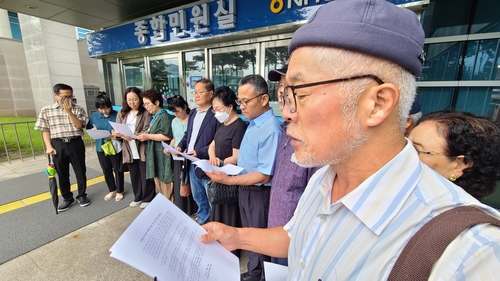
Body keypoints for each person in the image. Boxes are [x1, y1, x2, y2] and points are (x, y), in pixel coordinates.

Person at [200, 0, 500, 280]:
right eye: (285, 96)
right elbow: (298, 237)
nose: (287, 114)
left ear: (377, 104)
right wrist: (236, 236)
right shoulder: (325, 178)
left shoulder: (468, 251)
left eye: (299, 94)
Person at [205, 74, 282, 281]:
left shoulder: (271, 129)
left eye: (246, 101)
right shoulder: (253, 123)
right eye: (240, 101)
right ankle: (254, 271)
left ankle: (262, 276)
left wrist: (228, 180)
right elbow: (245, 161)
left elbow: (264, 174)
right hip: (245, 190)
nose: (242, 106)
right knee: (248, 234)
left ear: (264, 99)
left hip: (259, 193)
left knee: (259, 237)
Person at [267, 65, 320, 266]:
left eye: (290, 86)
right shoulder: (285, 131)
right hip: (274, 226)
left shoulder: (314, 142)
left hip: (295, 238)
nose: (283, 92)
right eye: (281, 86)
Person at [409, 109, 500, 202]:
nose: (404, 152)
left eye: (416, 149)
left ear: (458, 165)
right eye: (406, 144)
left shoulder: (458, 215)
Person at [34, 83, 90, 212]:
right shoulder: (46, 110)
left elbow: (80, 126)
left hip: (75, 142)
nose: (68, 99)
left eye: (70, 96)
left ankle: (82, 195)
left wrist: (69, 112)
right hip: (58, 144)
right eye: (64, 96)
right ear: (56, 95)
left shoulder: (78, 109)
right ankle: (67, 197)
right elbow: (45, 130)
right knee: (62, 173)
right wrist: (48, 146)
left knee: (80, 171)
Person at [207, 86, 247, 256]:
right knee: (218, 210)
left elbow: (237, 156)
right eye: (214, 109)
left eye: (219, 109)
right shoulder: (222, 124)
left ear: (230, 107)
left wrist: (220, 162)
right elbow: (212, 145)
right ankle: (219, 243)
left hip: (230, 177)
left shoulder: (239, 126)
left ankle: (231, 249)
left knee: (229, 213)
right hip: (219, 173)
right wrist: (211, 158)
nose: (216, 113)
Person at [175, 79, 219, 225]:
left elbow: (219, 141)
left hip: (206, 163)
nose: (197, 95)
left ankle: (215, 224)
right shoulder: (193, 112)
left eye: (200, 92)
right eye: (195, 92)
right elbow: (188, 134)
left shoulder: (216, 114)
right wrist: (180, 147)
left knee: (211, 197)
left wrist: (199, 152)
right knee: (198, 196)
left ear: (210, 93)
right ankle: (202, 220)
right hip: (191, 163)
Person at [112, 87, 154, 209]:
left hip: (141, 147)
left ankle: (148, 197)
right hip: (128, 148)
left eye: (134, 99)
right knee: (134, 174)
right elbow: (117, 129)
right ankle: (138, 196)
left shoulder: (146, 112)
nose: (132, 102)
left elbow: (147, 129)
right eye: (129, 100)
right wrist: (117, 134)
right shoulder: (122, 113)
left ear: (140, 99)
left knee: (145, 174)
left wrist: (134, 135)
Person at [136, 89, 173, 206]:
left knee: (166, 184)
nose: (146, 106)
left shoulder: (164, 116)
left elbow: (167, 135)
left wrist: (147, 136)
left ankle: (171, 209)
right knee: (159, 183)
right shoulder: (155, 116)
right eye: (144, 104)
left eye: (147, 103)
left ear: (157, 102)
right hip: (156, 155)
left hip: (163, 156)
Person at [86, 92, 124, 201]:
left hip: (115, 146)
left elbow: (122, 130)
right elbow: (89, 128)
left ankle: (120, 190)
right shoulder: (94, 116)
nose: (104, 111)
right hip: (101, 146)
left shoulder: (117, 115)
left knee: (117, 169)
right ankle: (112, 190)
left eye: (106, 108)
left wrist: (116, 134)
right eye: (101, 109)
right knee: (106, 170)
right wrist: (92, 131)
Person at [166, 95, 197, 215]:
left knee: (190, 182)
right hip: (177, 156)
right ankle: (183, 209)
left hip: (190, 156)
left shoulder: (192, 119)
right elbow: (175, 138)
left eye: (178, 111)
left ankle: (193, 209)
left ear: (185, 107)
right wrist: (169, 147)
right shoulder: (174, 121)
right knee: (180, 182)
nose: (176, 114)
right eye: (174, 112)